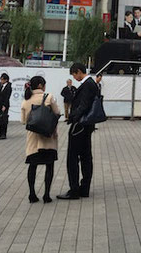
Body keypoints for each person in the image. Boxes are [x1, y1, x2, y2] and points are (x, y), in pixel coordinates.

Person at [58, 63, 98, 200]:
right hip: (86, 125)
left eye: (74, 75)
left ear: (79, 72)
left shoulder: (87, 85)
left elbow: (84, 105)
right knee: (86, 156)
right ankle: (84, 188)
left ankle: (74, 189)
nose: (74, 78)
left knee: (73, 157)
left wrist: (72, 117)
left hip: (80, 125)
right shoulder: (91, 84)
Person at [21, 76, 60, 204]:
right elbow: (57, 112)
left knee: (32, 167)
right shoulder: (49, 97)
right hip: (47, 138)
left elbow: (23, 121)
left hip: (33, 139)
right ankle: (46, 195)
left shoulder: (26, 100)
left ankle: (32, 194)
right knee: (49, 166)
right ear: (40, 85)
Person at [0, 73, 12, 140]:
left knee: (3, 119)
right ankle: (0, 132)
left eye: (2, 79)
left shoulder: (9, 86)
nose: (1, 81)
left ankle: (4, 134)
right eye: (0, 79)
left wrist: (5, 105)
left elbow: (7, 97)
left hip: (4, 105)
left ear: (6, 80)